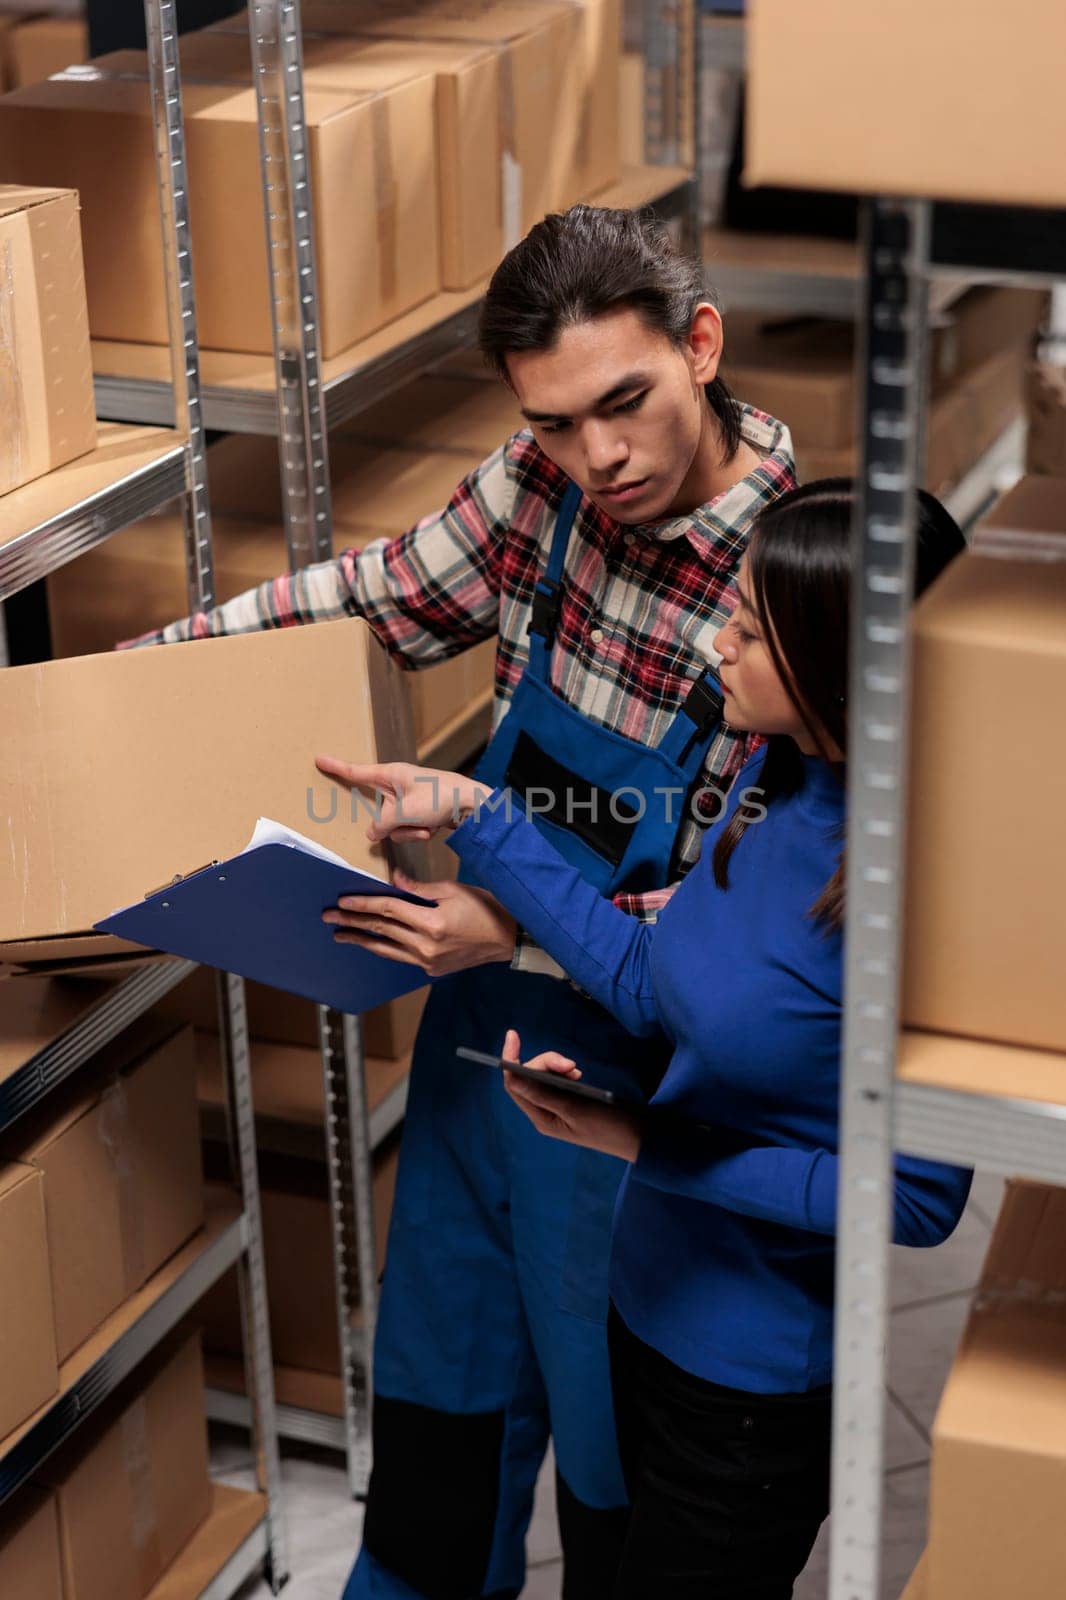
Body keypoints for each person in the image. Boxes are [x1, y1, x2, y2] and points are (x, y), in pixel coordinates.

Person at [126, 203, 798, 1599]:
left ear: (701, 345)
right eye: (553, 424)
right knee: (440, 1415)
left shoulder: (788, 595)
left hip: (638, 1093)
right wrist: (133, 682)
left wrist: (522, 920)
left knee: (612, 1460)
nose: (594, 457)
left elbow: (759, 924)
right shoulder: (537, 494)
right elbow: (364, 601)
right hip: (473, 1053)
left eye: (623, 405)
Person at [319, 479, 972, 1599]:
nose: (717, 641)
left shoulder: (909, 891)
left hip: (749, 1395)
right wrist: (477, 815)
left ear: (837, 663)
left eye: (751, 630)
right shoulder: (776, 777)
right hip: (643, 1306)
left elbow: (915, 1200)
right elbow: (642, 977)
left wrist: (650, 1145)